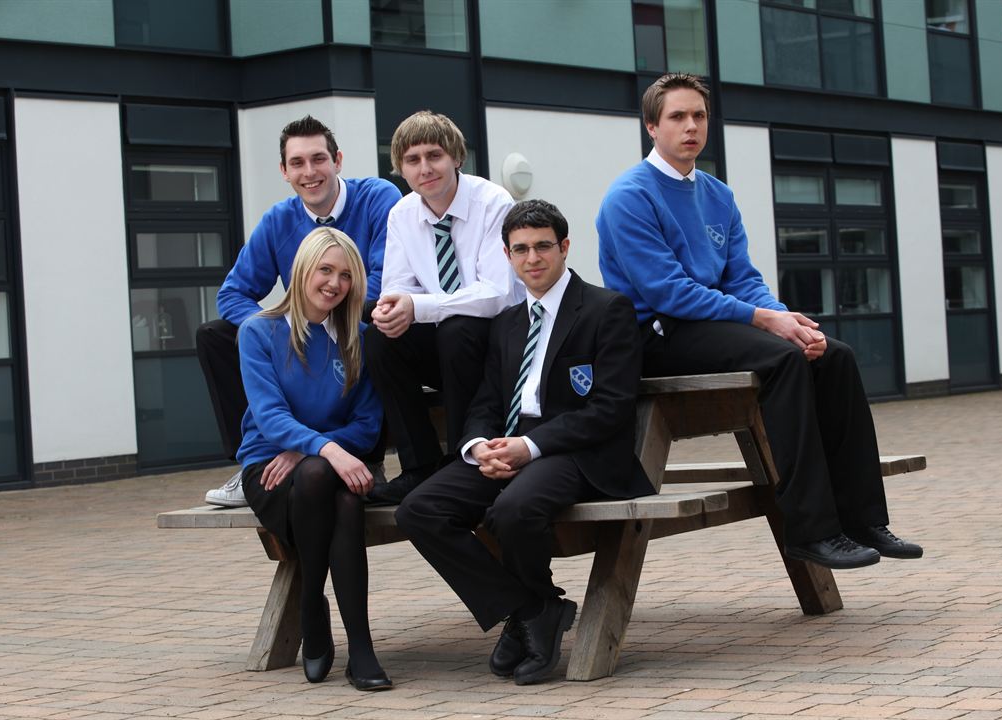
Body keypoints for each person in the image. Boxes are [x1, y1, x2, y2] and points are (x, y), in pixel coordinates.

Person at [596, 73, 922, 570]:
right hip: (656, 334)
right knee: (784, 361)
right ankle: (812, 531)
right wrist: (764, 321)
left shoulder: (717, 195)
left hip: (711, 325)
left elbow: (742, 277)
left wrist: (786, 318)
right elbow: (667, 292)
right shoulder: (630, 197)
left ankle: (862, 518)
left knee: (832, 355)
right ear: (651, 126)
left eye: (699, 116)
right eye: (677, 117)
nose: (691, 126)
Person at [395, 200, 653, 685]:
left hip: (577, 450)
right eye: (520, 250)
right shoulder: (508, 321)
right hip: (508, 443)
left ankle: (528, 612)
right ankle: (533, 607)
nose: (532, 258)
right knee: (419, 510)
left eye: (542, 247)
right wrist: (476, 447)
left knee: (511, 510)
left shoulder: (607, 309)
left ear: (564, 247)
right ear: (508, 255)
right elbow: (487, 401)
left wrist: (529, 449)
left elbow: (609, 409)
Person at [199, 115, 401, 508]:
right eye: (297, 163)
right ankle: (253, 463)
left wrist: (332, 319)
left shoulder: (378, 197)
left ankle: (368, 458)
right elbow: (233, 294)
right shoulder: (278, 220)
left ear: (337, 160)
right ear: (284, 171)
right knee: (215, 334)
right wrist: (281, 332)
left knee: (379, 325)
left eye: (319, 159)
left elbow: (384, 278)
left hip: (358, 324)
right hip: (306, 331)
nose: (310, 172)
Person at [237, 226, 391, 689]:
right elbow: (269, 416)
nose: (335, 283)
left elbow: (368, 424)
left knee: (340, 495)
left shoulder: (359, 338)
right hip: (270, 471)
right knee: (328, 481)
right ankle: (344, 637)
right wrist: (321, 449)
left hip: (320, 468)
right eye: (325, 269)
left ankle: (326, 617)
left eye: (346, 275)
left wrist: (310, 450)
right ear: (303, 269)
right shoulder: (258, 332)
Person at [364, 110, 520, 505]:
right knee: (381, 339)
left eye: (434, 155)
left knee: (457, 327)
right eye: (412, 160)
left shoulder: (493, 202)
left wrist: (421, 306)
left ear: (456, 157)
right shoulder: (402, 214)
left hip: (499, 343)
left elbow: (498, 293)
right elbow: (399, 288)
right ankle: (419, 467)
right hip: (448, 345)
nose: (425, 168)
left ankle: (464, 459)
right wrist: (392, 311)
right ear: (400, 168)